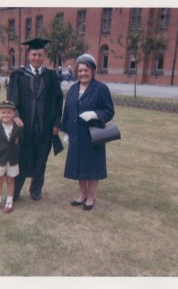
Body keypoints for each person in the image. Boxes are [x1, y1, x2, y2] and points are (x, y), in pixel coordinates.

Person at [7, 38, 63, 201]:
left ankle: (36, 189)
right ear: (28, 55)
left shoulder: (51, 76)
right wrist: (15, 116)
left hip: (45, 127)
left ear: (44, 55)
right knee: (22, 158)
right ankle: (15, 190)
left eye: (40, 54)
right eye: (34, 54)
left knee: (41, 159)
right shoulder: (18, 74)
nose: (37, 58)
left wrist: (57, 123)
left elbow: (59, 100)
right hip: (24, 126)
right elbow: (11, 98)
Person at [61, 53, 115, 210]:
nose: (83, 73)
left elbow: (109, 111)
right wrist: (66, 131)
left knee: (92, 167)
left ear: (92, 71)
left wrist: (95, 114)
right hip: (76, 135)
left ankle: (91, 197)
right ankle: (82, 194)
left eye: (86, 70)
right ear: (76, 72)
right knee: (78, 165)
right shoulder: (72, 89)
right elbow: (67, 111)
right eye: (80, 70)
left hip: (92, 134)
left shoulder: (101, 88)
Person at [0, 100, 23, 213]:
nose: (6, 115)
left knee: (10, 180)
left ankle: (9, 201)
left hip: (13, 159)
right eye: (3, 112)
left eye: (9, 112)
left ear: (14, 114)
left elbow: (20, 142)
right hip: (0, 159)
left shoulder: (19, 127)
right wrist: (0, 151)